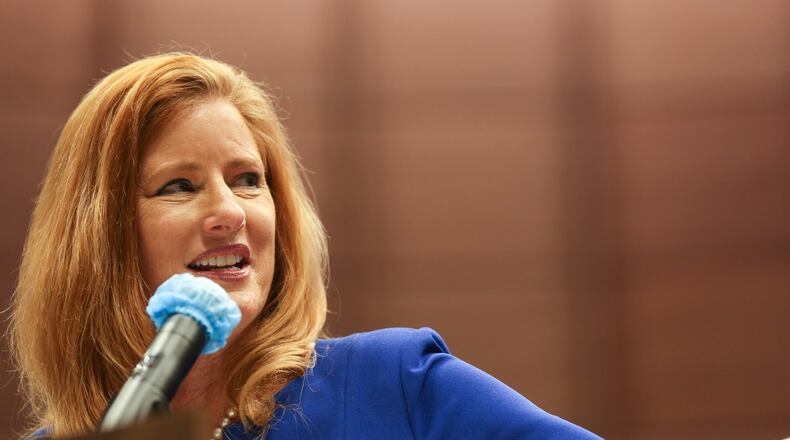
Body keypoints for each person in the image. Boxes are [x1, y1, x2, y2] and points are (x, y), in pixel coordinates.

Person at [9, 53, 600, 440]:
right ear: (98, 239)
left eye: (247, 179)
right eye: (179, 186)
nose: (229, 212)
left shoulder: (396, 384)